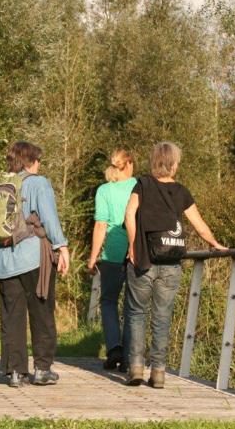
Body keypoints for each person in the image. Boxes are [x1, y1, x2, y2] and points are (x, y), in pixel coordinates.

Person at [124, 142, 226, 388]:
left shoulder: (142, 185)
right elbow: (198, 223)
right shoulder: (181, 191)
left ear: (154, 162)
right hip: (171, 261)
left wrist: (132, 244)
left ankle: (136, 367)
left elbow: (129, 215)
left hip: (143, 258)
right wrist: (215, 242)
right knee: (162, 316)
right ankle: (158, 372)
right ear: (173, 164)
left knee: (137, 314)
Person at [0, 141, 70, 388]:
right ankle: (42, 369)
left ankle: (15, 373)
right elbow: (49, 219)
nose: (40, 165)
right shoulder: (38, 183)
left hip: (3, 260)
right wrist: (62, 247)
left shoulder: (0, 187)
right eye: (38, 161)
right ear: (31, 161)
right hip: (33, 259)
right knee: (42, 311)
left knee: (12, 316)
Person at [87, 149, 136, 372]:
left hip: (113, 254)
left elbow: (100, 225)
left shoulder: (104, 190)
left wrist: (93, 257)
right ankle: (129, 355)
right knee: (133, 305)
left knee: (108, 301)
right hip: (136, 252)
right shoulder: (140, 185)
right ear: (128, 165)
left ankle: (114, 348)